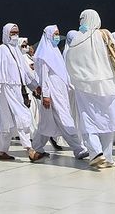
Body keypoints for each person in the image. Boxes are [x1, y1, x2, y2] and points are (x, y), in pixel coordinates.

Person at [66, 9, 115, 169]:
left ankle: (96, 152)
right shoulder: (104, 34)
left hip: (84, 86)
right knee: (109, 120)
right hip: (108, 84)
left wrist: (79, 78)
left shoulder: (75, 41)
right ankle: (106, 156)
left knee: (88, 119)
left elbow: (69, 63)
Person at [0, 23, 46, 162]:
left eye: (17, 32)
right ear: (6, 33)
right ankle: (30, 150)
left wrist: (34, 86)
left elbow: (24, 71)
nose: (15, 35)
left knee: (7, 121)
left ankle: (0, 150)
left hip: (17, 89)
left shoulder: (17, 50)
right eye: (12, 32)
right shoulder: (2, 49)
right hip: (7, 89)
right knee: (23, 116)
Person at [31, 25, 88, 160]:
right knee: (64, 119)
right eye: (55, 34)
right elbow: (43, 77)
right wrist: (46, 95)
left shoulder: (54, 51)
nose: (57, 36)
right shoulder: (44, 54)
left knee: (47, 122)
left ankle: (36, 149)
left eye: (58, 34)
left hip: (60, 92)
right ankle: (79, 149)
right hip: (52, 93)